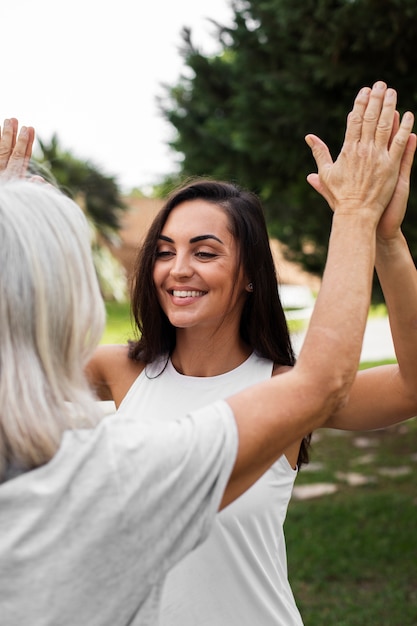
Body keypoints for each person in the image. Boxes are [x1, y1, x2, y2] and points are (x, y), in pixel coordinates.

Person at [0, 83, 415, 626]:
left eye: (205, 252)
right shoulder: (117, 369)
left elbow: (411, 385)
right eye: (165, 251)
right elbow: (15, 364)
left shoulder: (290, 390)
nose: (178, 270)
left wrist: (384, 239)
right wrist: (12, 231)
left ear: (248, 276)